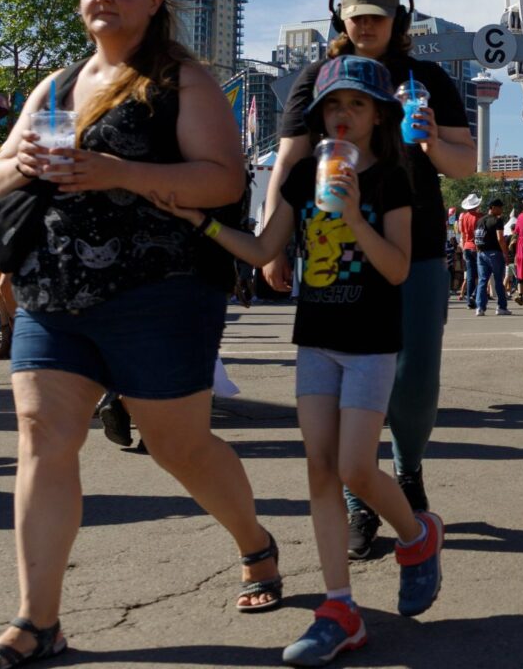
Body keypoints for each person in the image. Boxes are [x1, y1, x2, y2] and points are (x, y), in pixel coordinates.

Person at [0, 0, 277, 667]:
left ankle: (255, 543)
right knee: (42, 436)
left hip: (158, 292)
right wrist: (21, 163)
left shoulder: (180, 81)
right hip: (52, 291)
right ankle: (38, 622)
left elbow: (223, 182)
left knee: (179, 447)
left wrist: (117, 170)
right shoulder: (56, 86)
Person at [157, 55, 444, 662]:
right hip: (315, 338)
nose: (343, 116)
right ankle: (339, 607)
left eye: (357, 105)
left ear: (378, 116)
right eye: (332, 106)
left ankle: (418, 537)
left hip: (370, 343)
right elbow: (265, 247)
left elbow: (395, 268)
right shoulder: (298, 178)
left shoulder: (395, 178)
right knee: (320, 470)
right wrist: (202, 225)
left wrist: (351, 214)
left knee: (357, 470)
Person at [266, 0, 477, 556]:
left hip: (417, 243)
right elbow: (288, 162)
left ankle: (406, 471)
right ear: (341, 19)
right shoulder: (317, 78)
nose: (364, 25)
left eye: (376, 17)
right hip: (334, 249)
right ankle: (360, 499)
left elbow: (465, 164)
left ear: (398, 21)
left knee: (415, 381)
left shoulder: (427, 77)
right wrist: (272, 240)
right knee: (340, 382)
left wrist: (431, 140)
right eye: (355, 16)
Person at [471, 197, 510, 314]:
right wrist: (505, 253)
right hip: (494, 253)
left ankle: (480, 308)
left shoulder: (480, 220)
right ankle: (501, 307)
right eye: (500, 207)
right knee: (498, 280)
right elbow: (500, 238)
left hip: (481, 253)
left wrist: (479, 250)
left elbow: (476, 237)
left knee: (483, 280)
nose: (501, 210)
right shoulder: (497, 220)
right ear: (493, 208)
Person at [457, 193, 482, 309]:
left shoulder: (463, 217)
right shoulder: (480, 216)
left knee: (471, 276)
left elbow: (462, 234)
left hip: (467, 246)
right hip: (478, 247)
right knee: (483, 274)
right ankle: (474, 295)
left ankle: (469, 301)